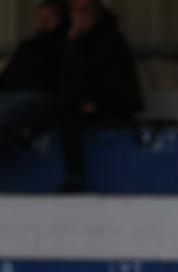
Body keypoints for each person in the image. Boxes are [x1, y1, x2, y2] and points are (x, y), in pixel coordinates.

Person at [57, 0, 143, 192]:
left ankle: (75, 176)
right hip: (84, 103)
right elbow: (68, 78)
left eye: (83, 11)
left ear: (96, 12)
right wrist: (72, 45)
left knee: (68, 116)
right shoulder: (73, 40)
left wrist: (96, 102)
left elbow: (117, 84)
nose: (78, 16)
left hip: (113, 103)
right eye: (73, 11)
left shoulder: (110, 40)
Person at [0, 0, 67, 147]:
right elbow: (8, 74)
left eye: (49, 19)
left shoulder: (64, 47)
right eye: (41, 18)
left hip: (38, 95)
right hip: (12, 93)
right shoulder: (27, 46)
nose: (43, 23)